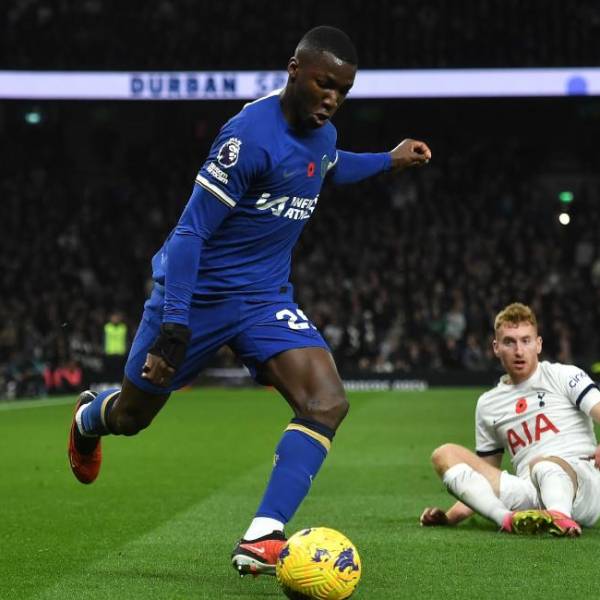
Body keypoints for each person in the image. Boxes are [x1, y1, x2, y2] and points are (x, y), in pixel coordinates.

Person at [68, 25, 431, 577]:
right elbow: (190, 234)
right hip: (196, 297)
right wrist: (174, 327)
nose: (332, 99)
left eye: (343, 91)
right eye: (324, 84)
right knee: (133, 416)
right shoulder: (247, 139)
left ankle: (262, 535)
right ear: (294, 70)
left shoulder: (324, 134)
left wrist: (388, 160)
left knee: (327, 401)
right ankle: (90, 417)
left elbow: (330, 167)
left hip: (263, 299)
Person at [420, 302, 600, 537]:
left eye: (526, 340)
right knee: (444, 454)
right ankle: (506, 519)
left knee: (542, 465)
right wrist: (450, 517)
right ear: (496, 347)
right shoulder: (488, 404)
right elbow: (483, 477)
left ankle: (559, 516)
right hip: (529, 493)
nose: (518, 350)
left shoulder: (565, 376)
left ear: (538, 344)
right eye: (509, 342)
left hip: (582, 487)